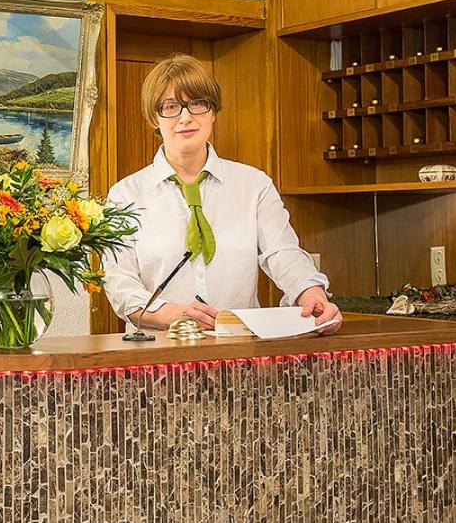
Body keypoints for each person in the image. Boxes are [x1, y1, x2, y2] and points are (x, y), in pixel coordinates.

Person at [103, 54, 341, 332]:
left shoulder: (254, 185)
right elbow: (119, 282)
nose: (186, 117)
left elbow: (283, 253)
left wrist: (311, 293)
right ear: (153, 118)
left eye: (198, 104)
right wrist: (173, 315)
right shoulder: (124, 195)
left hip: (241, 346)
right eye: (171, 106)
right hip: (160, 349)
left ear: (213, 112)